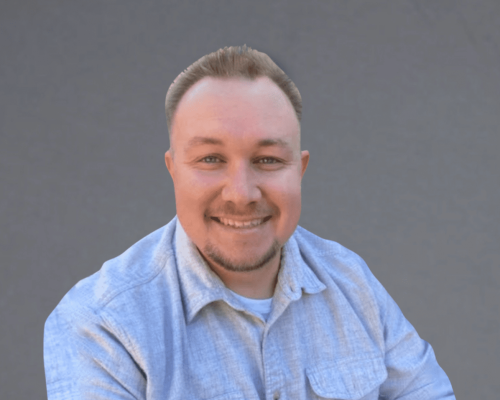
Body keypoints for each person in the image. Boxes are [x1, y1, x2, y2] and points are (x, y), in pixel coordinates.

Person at [44, 45, 455, 399]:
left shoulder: (351, 281)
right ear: (173, 169)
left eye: (268, 161)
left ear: (300, 169)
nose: (241, 193)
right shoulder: (101, 324)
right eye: (210, 159)